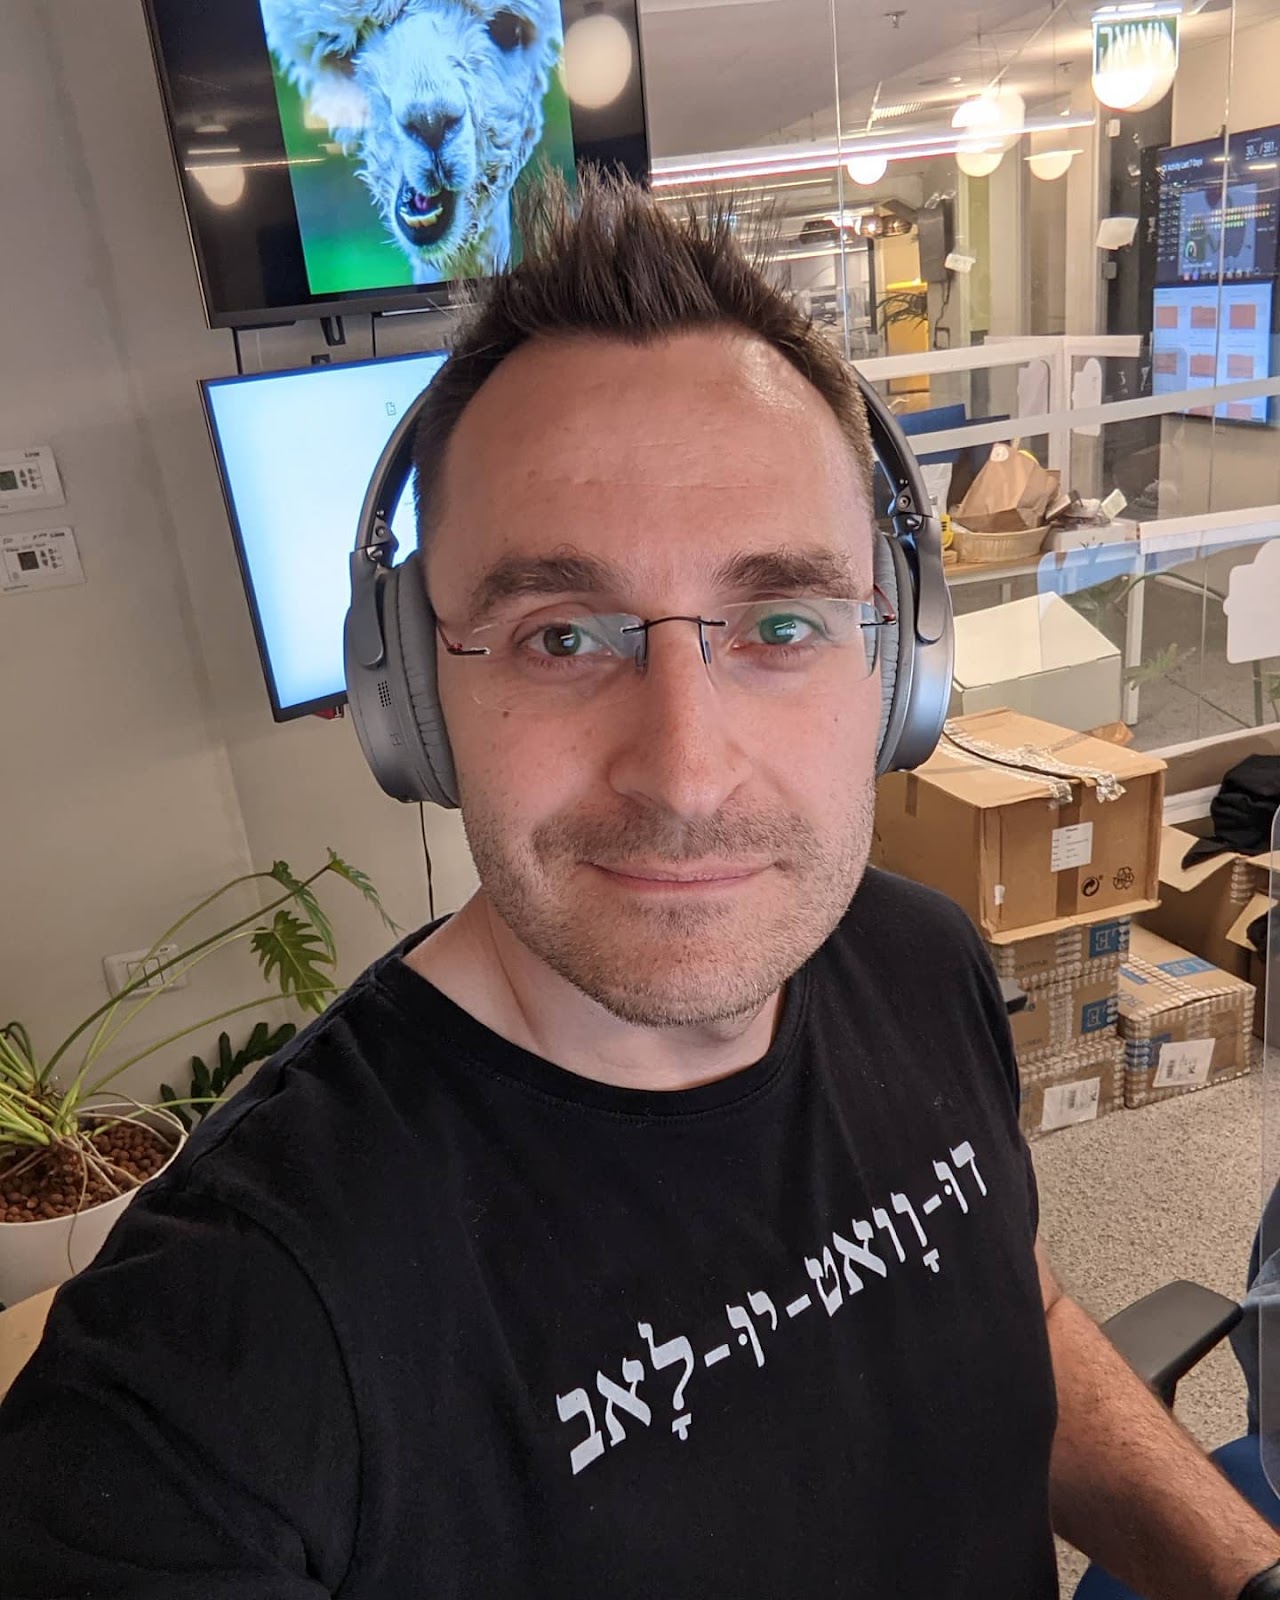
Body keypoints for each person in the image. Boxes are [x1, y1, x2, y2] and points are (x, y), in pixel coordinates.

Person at [1, 175, 1278, 1600]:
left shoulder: (919, 961)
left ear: (901, 668)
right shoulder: (212, 1357)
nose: (682, 770)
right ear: (413, 697)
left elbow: (1009, 1305)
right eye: (561, 636)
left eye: (781, 621)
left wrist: (1233, 1568)